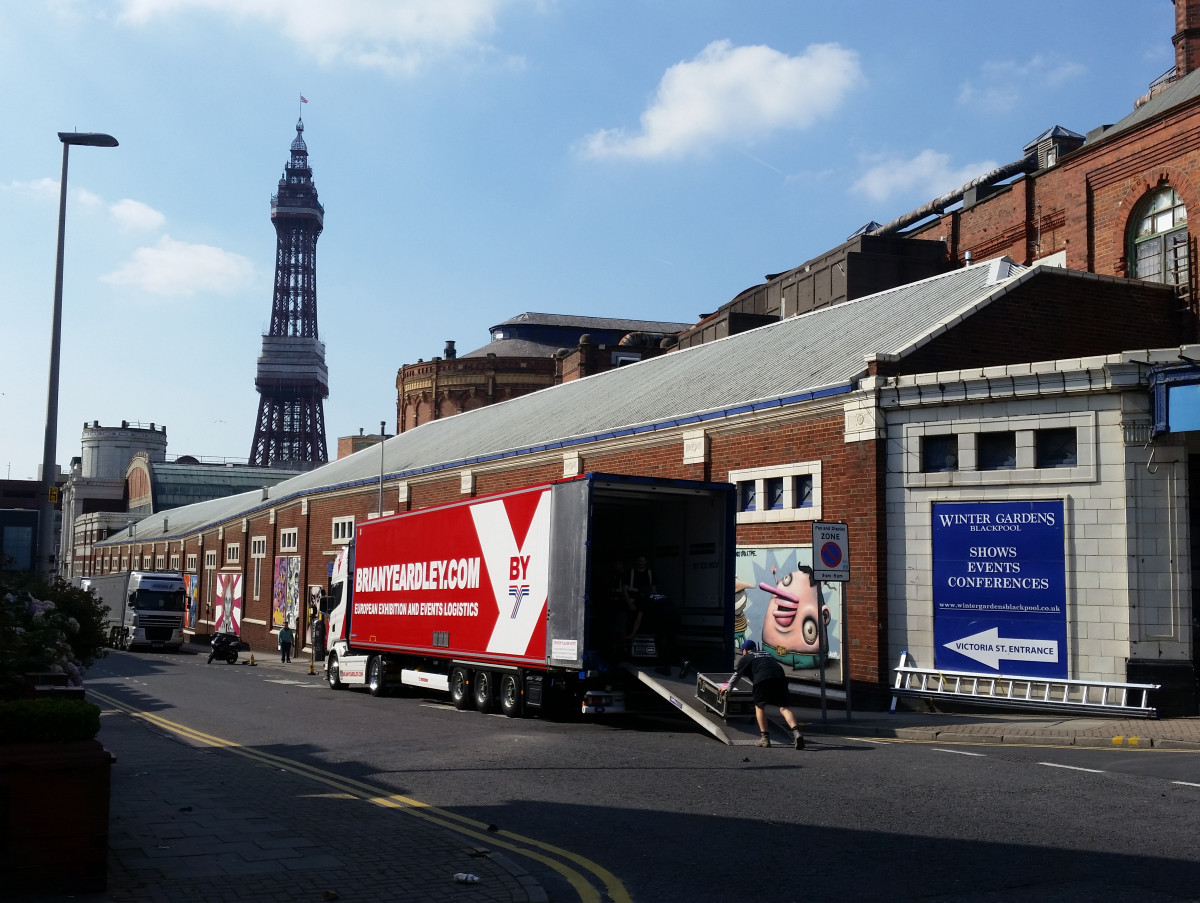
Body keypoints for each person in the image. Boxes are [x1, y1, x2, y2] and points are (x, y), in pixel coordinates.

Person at [719, 639, 805, 749]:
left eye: (742, 651)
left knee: (759, 706)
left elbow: (737, 675)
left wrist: (727, 689)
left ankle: (765, 738)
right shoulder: (766, 654)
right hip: (780, 677)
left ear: (745, 650)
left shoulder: (746, 657)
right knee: (784, 707)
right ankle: (796, 732)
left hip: (762, 679)